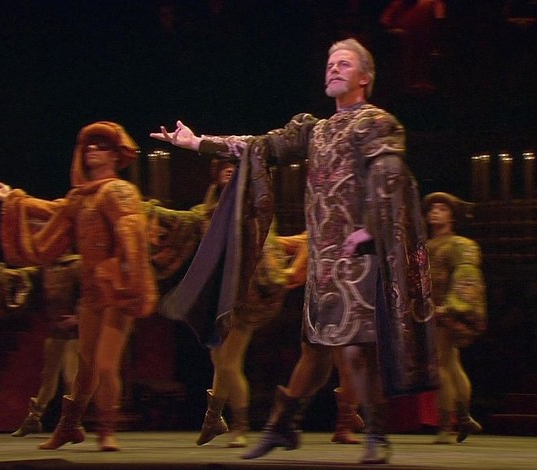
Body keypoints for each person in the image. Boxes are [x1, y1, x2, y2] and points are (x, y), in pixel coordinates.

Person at [151, 38, 435, 464]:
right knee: (315, 354)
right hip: (324, 262)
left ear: (365, 77)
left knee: (356, 350)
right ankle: (283, 426)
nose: (333, 69)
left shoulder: (376, 123)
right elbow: (259, 146)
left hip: (358, 258)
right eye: (330, 63)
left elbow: (390, 176)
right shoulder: (314, 130)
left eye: (344, 64)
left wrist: (372, 229)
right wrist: (197, 143)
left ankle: (376, 435)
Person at [0, 121, 158, 452]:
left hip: (117, 290)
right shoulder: (80, 196)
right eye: (89, 145)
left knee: (105, 365)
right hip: (92, 293)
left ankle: (106, 430)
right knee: (86, 366)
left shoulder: (119, 191)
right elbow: (54, 212)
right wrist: (14, 200)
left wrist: (122, 274)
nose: (92, 150)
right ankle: (70, 426)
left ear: (115, 155)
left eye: (101, 146)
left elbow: (132, 237)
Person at [146, 158, 309, 448]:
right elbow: (178, 221)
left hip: (244, 298)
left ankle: (239, 426)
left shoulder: (253, 211)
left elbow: (266, 245)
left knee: (228, 363)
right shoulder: (206, 215)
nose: (229, 169)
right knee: (218, 361)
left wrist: (276, 276)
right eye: (224, 166)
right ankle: (213, 419)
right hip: (216, 298)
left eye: (235, 166)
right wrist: (149, 211)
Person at [422, 192, 486, 444]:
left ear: (452, 216)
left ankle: (445, 426)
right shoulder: (426, 245)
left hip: (446, 310)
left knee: (441, 364)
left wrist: (450, 306)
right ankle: (464, 416)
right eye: (432, 209)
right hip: (431, 310)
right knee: (451, 362)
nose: (435, 212)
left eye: (442, 209)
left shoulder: (459, 244)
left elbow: (467, 275)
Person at [9, 255, 81, 438]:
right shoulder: (47, 267)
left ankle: (71, 422)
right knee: (48, 378)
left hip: (76, 333)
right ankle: (33, 419)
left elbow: (90, 294)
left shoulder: (78, 265)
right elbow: (25, 274)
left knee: (71, 378)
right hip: (56, 330)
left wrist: (78, 318)